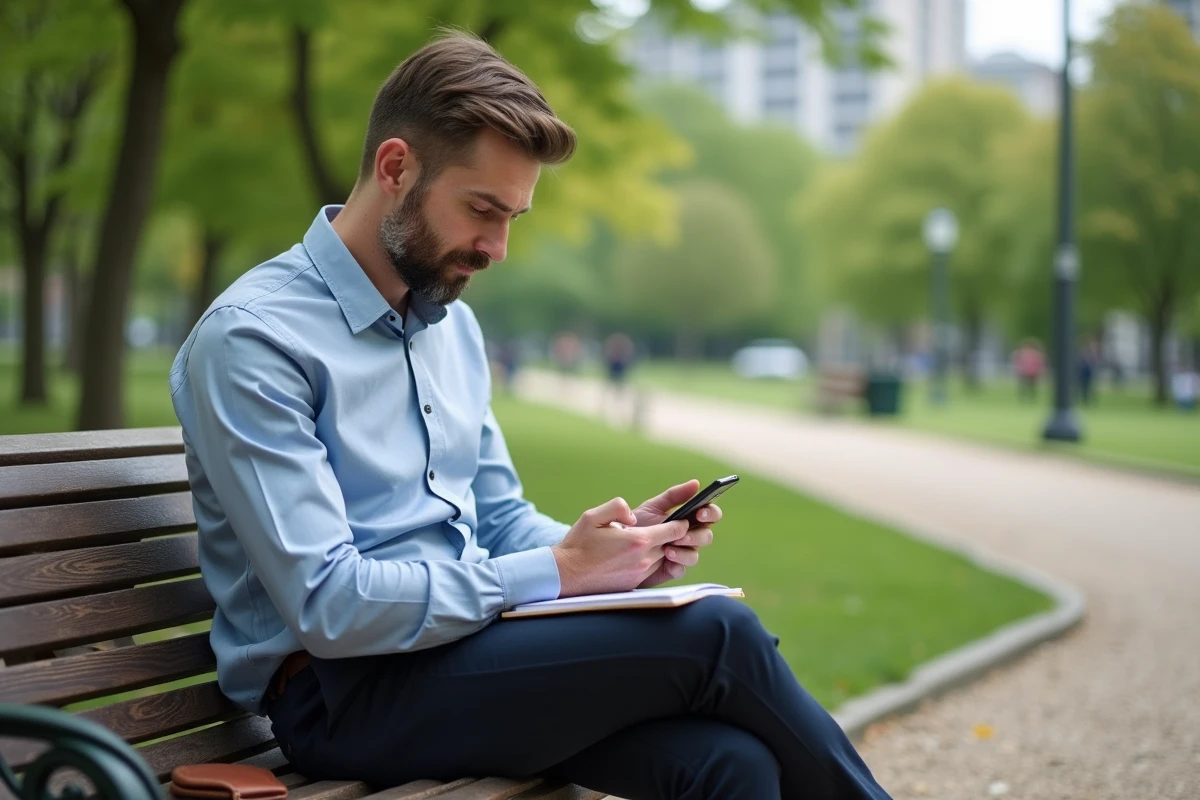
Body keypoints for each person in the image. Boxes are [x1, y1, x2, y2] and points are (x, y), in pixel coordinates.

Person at [169, 33, 892, 800]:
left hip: (470, 659)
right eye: (483, 210)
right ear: (395, 168)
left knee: (725, 765)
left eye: (514, 216)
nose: (499, 247)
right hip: (346, 694)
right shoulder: (255, 339)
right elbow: (330, 606)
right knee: (719, 637)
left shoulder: (453, 327)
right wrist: (558, 571)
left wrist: (617, 555)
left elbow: (499, 518)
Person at [1012, 338, 1045, 402]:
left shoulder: (1036, 354)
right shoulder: (1022, 353)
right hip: (1024, 372)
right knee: (1023, 386)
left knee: (1032, 386)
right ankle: (1023, 398)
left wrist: (1040, 371)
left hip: (1033, 372)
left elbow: (1040, 363)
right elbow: (1017, 361)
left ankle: (1031, 398)